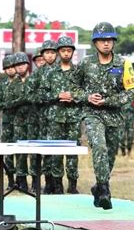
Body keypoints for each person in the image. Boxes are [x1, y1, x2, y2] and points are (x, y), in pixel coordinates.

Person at [71, 22, 134, 209]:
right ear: (95, 43)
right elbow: (74, 88)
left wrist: (108, 101)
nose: (106, 43)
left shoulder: (124, 64)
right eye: (101, 40)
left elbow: (130, 92)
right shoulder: (86, 64)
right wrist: (87, 96)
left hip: (114, 116)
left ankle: (98, 187)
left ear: (114, 42)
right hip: (92, 114)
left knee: (109, 156)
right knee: (99, 147)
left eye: (109, 40)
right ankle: (105, 189)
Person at [42, 36, 82, 194]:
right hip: (55, 117)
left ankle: (72, 184)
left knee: (73, 151)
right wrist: (57, 96)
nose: (66, 53)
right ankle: (57, 185)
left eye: (69, 51)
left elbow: (85, 92)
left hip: (73, 117)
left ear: (72, 52)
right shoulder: (50, 73)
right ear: (58, 52)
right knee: (56, 151)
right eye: (63, 51)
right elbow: (42, 95)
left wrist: (74, 96)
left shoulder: (78, 72)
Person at [25, 40, 57, 193]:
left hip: (57, 119)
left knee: (53, 150)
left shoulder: (60, 71)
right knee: (37, 151)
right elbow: (29, 95)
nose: (43, 61)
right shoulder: (36, 75)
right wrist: (46, 97)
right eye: (46, 54)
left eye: (52, 53)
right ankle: (35, 182)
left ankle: (52, 182)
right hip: (38, 119)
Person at [0, 55, 18, 190]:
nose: (9, 70)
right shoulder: (2, 85)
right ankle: (10, 180)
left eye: (11, 67)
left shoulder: (21, 82)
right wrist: (8, 104)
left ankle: (22, 180)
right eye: (7, 68)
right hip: (7, 122)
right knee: (7, 151)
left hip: (21, 121)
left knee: (21, 152)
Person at [10, 52, 31, 191]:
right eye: (17, 65)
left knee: (35, 153)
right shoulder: (13, 84)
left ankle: (36, 181)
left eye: (22, 64)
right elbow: (8, 103)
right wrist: (21, 100)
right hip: (18, 121)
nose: (20, 67)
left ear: (27, 65)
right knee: (20, 153)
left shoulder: (34, 80)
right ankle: (22, 181)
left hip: (34, 121)